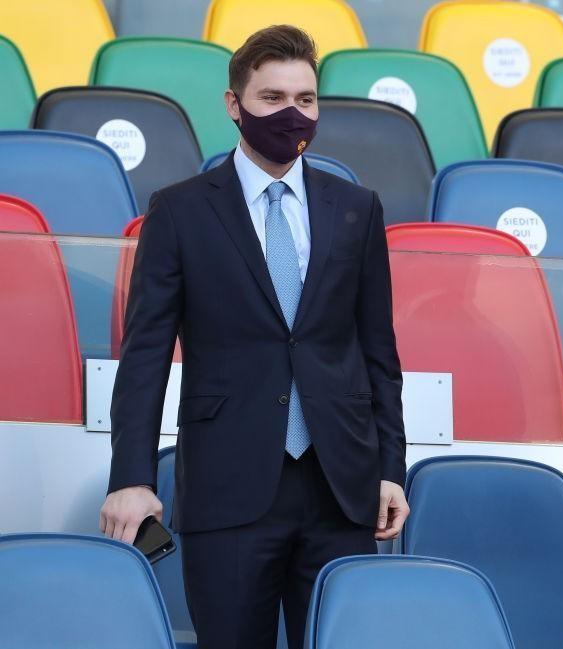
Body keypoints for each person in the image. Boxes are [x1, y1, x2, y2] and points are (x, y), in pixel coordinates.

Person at [99, 25, 409, 649]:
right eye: (272, 98)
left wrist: (389, 467)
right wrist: (131, 477)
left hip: (340, 489)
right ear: (233, 104)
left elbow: (379, 352)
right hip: (227, 487)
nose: (291, 114)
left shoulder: (357, 208)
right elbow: (146, 356)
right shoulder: (179, 210)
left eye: (306, 99)